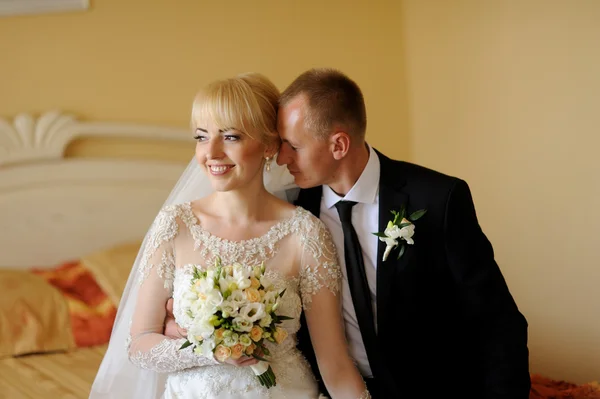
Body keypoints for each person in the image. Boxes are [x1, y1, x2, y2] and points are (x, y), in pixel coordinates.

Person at [89, 73, 370, 399]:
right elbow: (139, 344)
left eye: (232, 137)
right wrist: (210, 349)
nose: (211, 153)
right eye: (201, 136)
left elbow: (334, 363)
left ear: (268, 145)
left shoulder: (305, 233)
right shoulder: (175, 225)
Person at [274, 68, 532, 399]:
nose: (282, 158)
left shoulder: (438, 199)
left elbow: (498, 323)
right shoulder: (295, 213)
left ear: (338, 144)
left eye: (292, 146)